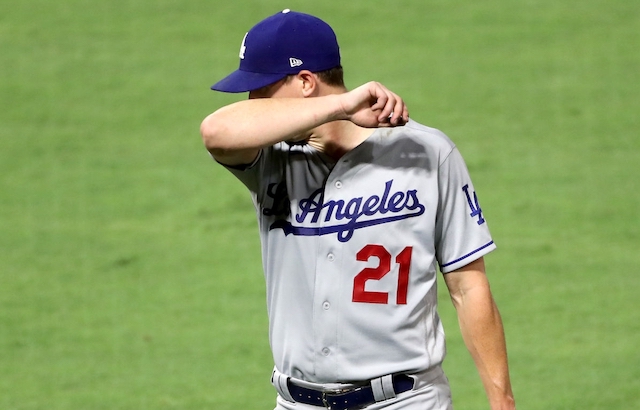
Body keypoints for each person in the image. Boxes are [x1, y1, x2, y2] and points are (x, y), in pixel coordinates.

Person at [200, 9, 516, 410]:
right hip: (298, 403)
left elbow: (468, 287)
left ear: (305, 82)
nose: (252, 104)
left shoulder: (427, 152)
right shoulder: (268, 158)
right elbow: (215, 130)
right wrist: (341, 106)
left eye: (259, 90)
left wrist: (502, 401)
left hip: (406, 401)